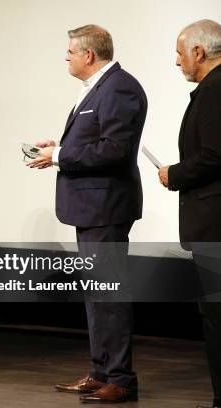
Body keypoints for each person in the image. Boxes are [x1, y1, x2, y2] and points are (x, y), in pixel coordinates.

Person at [27, 25, 147, 403]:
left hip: (106, 207)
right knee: (97, 296)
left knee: (109, 296)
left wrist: (60, 156)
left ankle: (121, 378)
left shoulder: (120, 87)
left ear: (88, 55)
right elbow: (95, 141)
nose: (66, 57)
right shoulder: (101, 88)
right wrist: (60, 146)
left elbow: (114, 149)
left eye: (69, 52)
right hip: (92, 207)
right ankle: (100, 372)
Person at [158, 19, 221, 408]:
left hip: (215, 225)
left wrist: (174, 174)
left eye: (180, 52)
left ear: (198, 52)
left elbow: (216, 155)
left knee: (216, 316)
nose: (177, 61)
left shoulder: (214, 91)